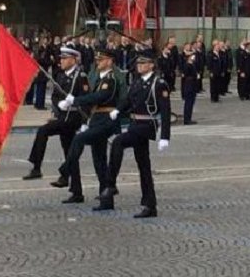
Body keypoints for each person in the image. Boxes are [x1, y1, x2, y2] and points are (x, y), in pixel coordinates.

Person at [95, 52, 171, 218]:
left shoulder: (159, 84)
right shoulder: (137, 82)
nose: (140, 66)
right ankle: (150, 205)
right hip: (134, 124)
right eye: (139, 64)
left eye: (144, 64)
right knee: (144, 167)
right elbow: (128, 101)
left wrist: (165, 136)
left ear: (152, 65)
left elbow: (166, 111)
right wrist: (117, 110)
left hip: (146, 126)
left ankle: (110, 184)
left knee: (118, 142)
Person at [50, 48, 121, 204]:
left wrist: (75, 100)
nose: (98, 62)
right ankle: (106, 196)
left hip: (105, 121)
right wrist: (85, 121)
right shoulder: (100, 79)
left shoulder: (111, 79)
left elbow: (100, 97)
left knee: (79, 139)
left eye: (101, 60)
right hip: (96, 119)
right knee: (99, 160)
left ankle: (65, 170)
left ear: (109, 61)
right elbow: (93, 101)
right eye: (97, 60)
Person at [23, 47, 90, 180]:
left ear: (73, 60)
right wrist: (59, 104)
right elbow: (55, 96)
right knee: (69, 152)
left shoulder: (80, 77)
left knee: (43, 131)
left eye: (65, 59)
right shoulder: (60, 75)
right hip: (63, 116)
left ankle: (37, 167)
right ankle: (75, 189)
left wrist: (84, 122)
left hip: (74, 117)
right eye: (61, 58)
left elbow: (87, 100)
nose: (62, 61)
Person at [182, 52, 198, 125]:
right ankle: (186, 119)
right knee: (188, 103)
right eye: (192, 56)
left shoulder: (192, 64)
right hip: (189, 86)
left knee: (191, 103)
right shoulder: (187, 65)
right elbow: (186, 75)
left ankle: (189, 118)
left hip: (193, 85)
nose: (193, 57)